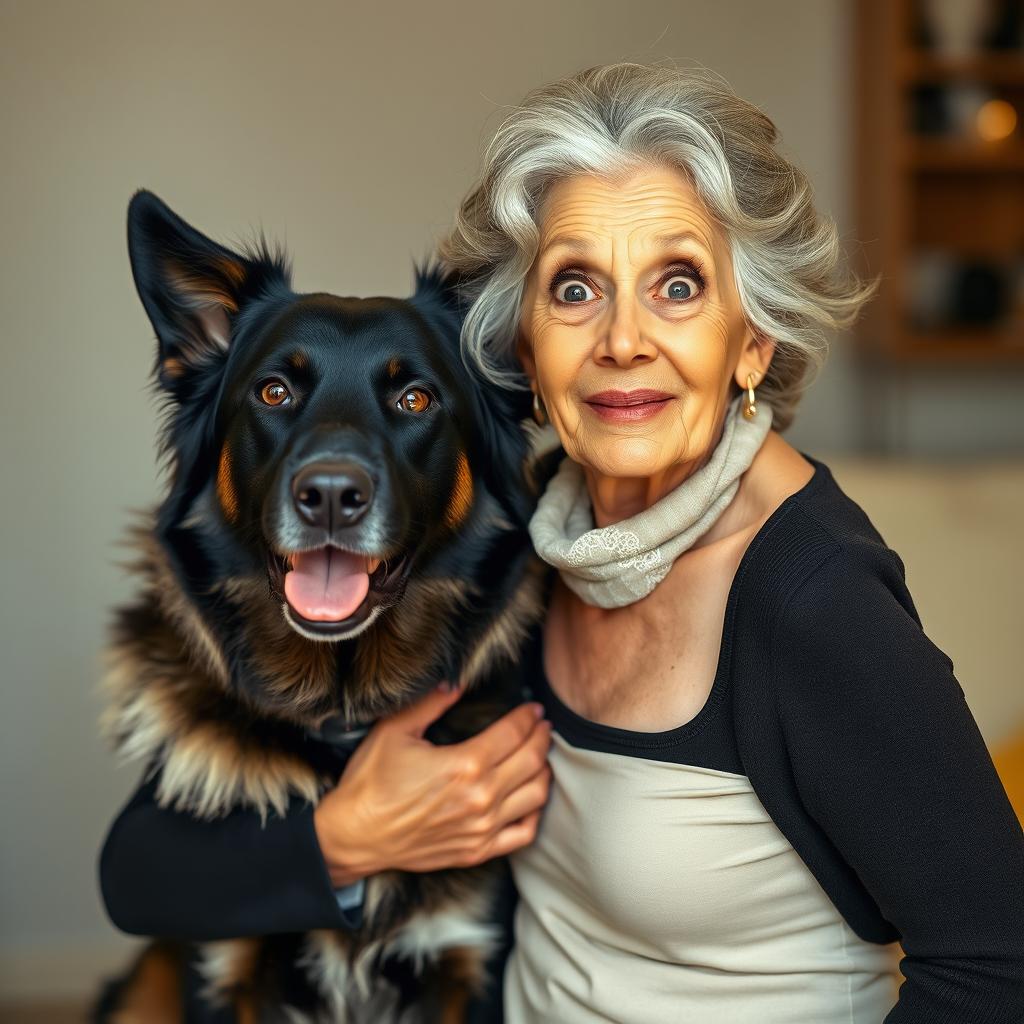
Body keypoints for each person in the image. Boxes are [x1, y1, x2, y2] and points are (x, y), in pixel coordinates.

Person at [100, 62, 1024, 1023]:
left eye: (678, 284)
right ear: (522, 350)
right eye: (576, 287)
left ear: (752, 340)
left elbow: (998, 966)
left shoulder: (812, 601)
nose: (624, 338)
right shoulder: (519, 547)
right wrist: (345, 834)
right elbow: (147, 871)